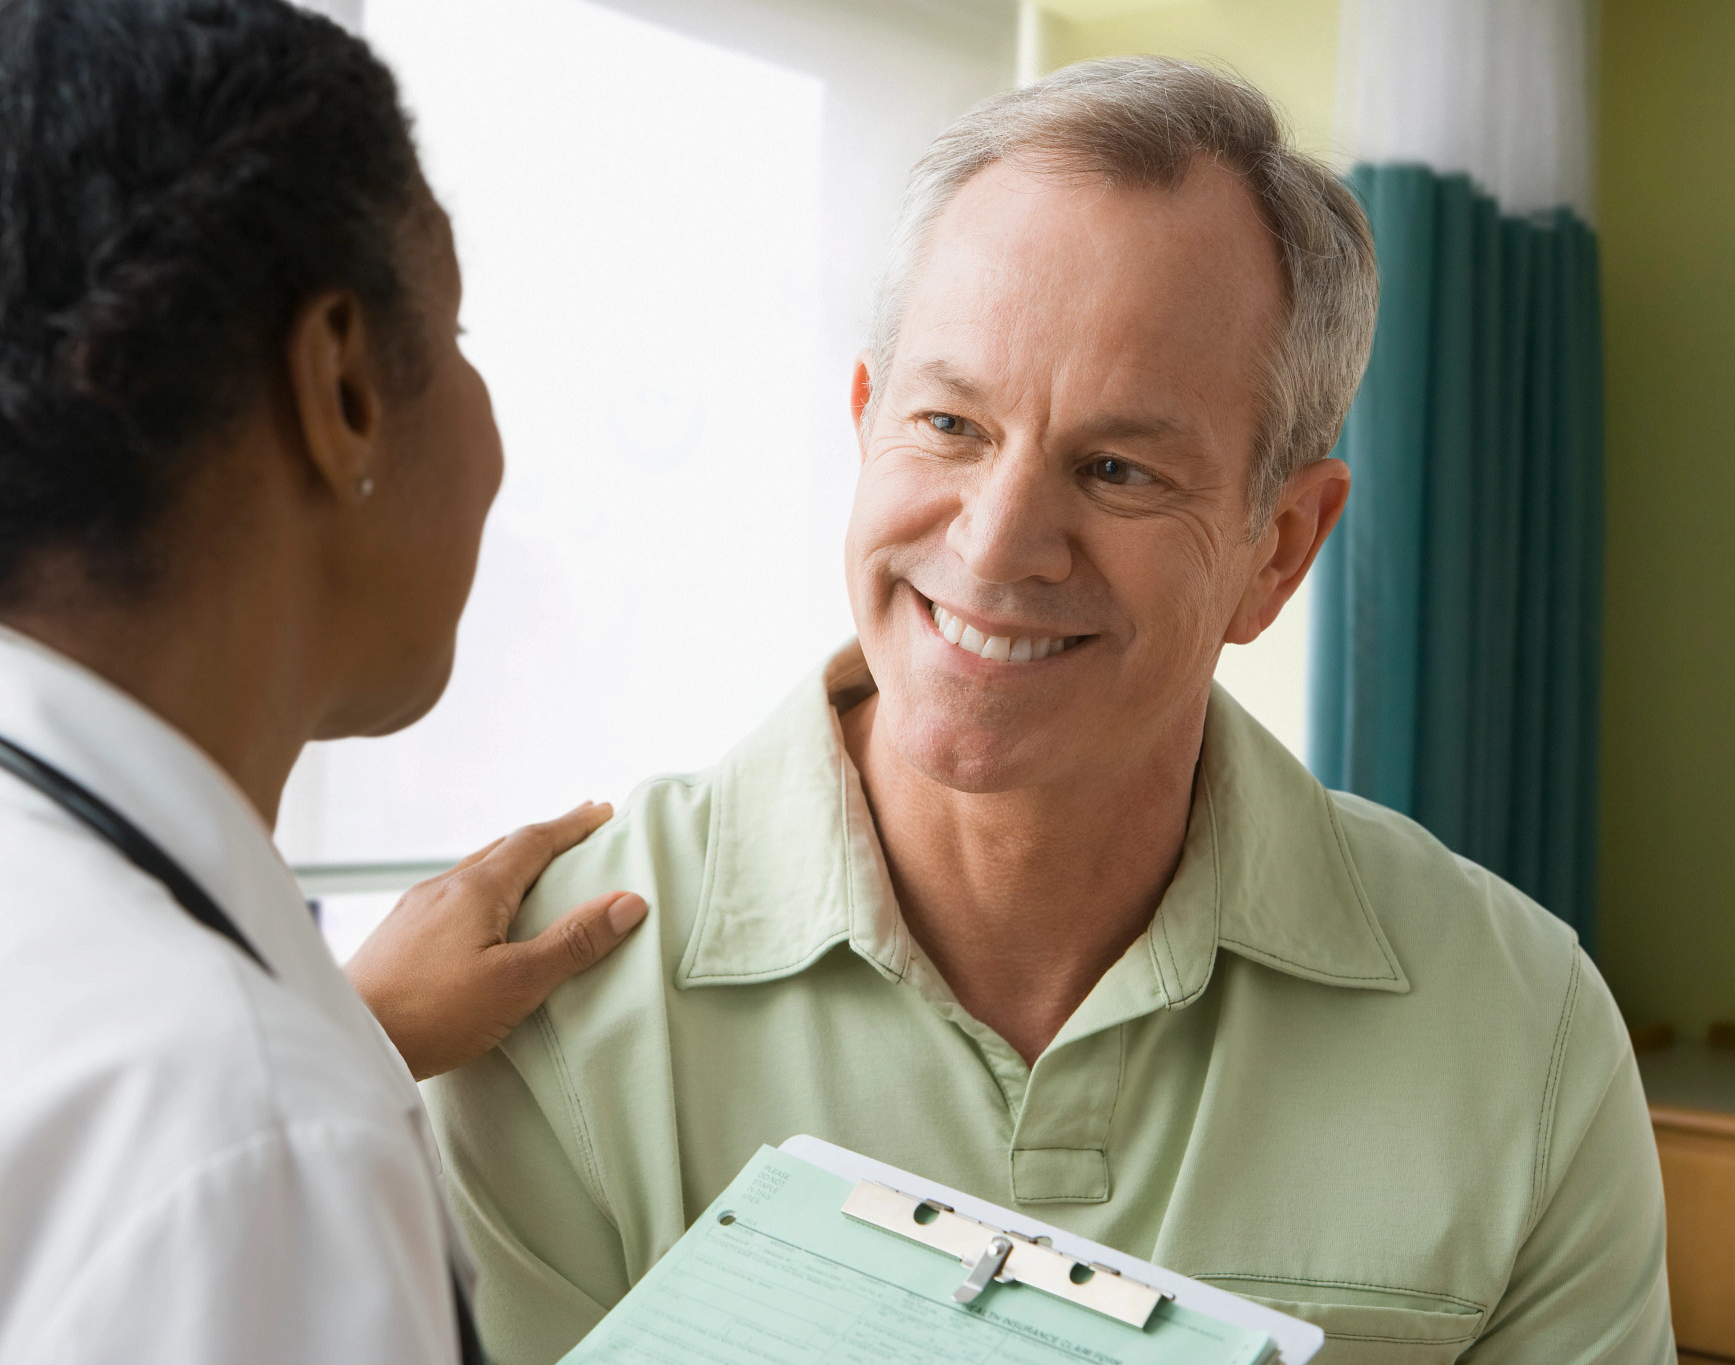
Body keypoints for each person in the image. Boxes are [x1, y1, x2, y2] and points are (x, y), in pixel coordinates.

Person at [424, 57, 1676, 1364]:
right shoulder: (553, 1009)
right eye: (951, 424)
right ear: (868, 426)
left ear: (1281, 548)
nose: (1000, 540)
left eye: (1118, 467)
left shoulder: (1523, 1032)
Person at [0, 2, 650, 1361]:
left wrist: (347, 1029)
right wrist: (295, 1083)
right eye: (459, 327)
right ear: (342, 386)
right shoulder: (253, 1142)